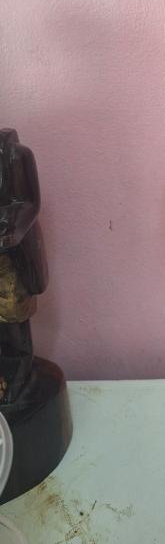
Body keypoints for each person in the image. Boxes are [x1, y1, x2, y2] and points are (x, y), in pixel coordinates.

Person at [0, 129, 48, 404]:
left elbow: (30, 204)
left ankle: (18, 373)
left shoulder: (17, 155)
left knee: (12, 318)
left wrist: (7, 231)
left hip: (8, 258)